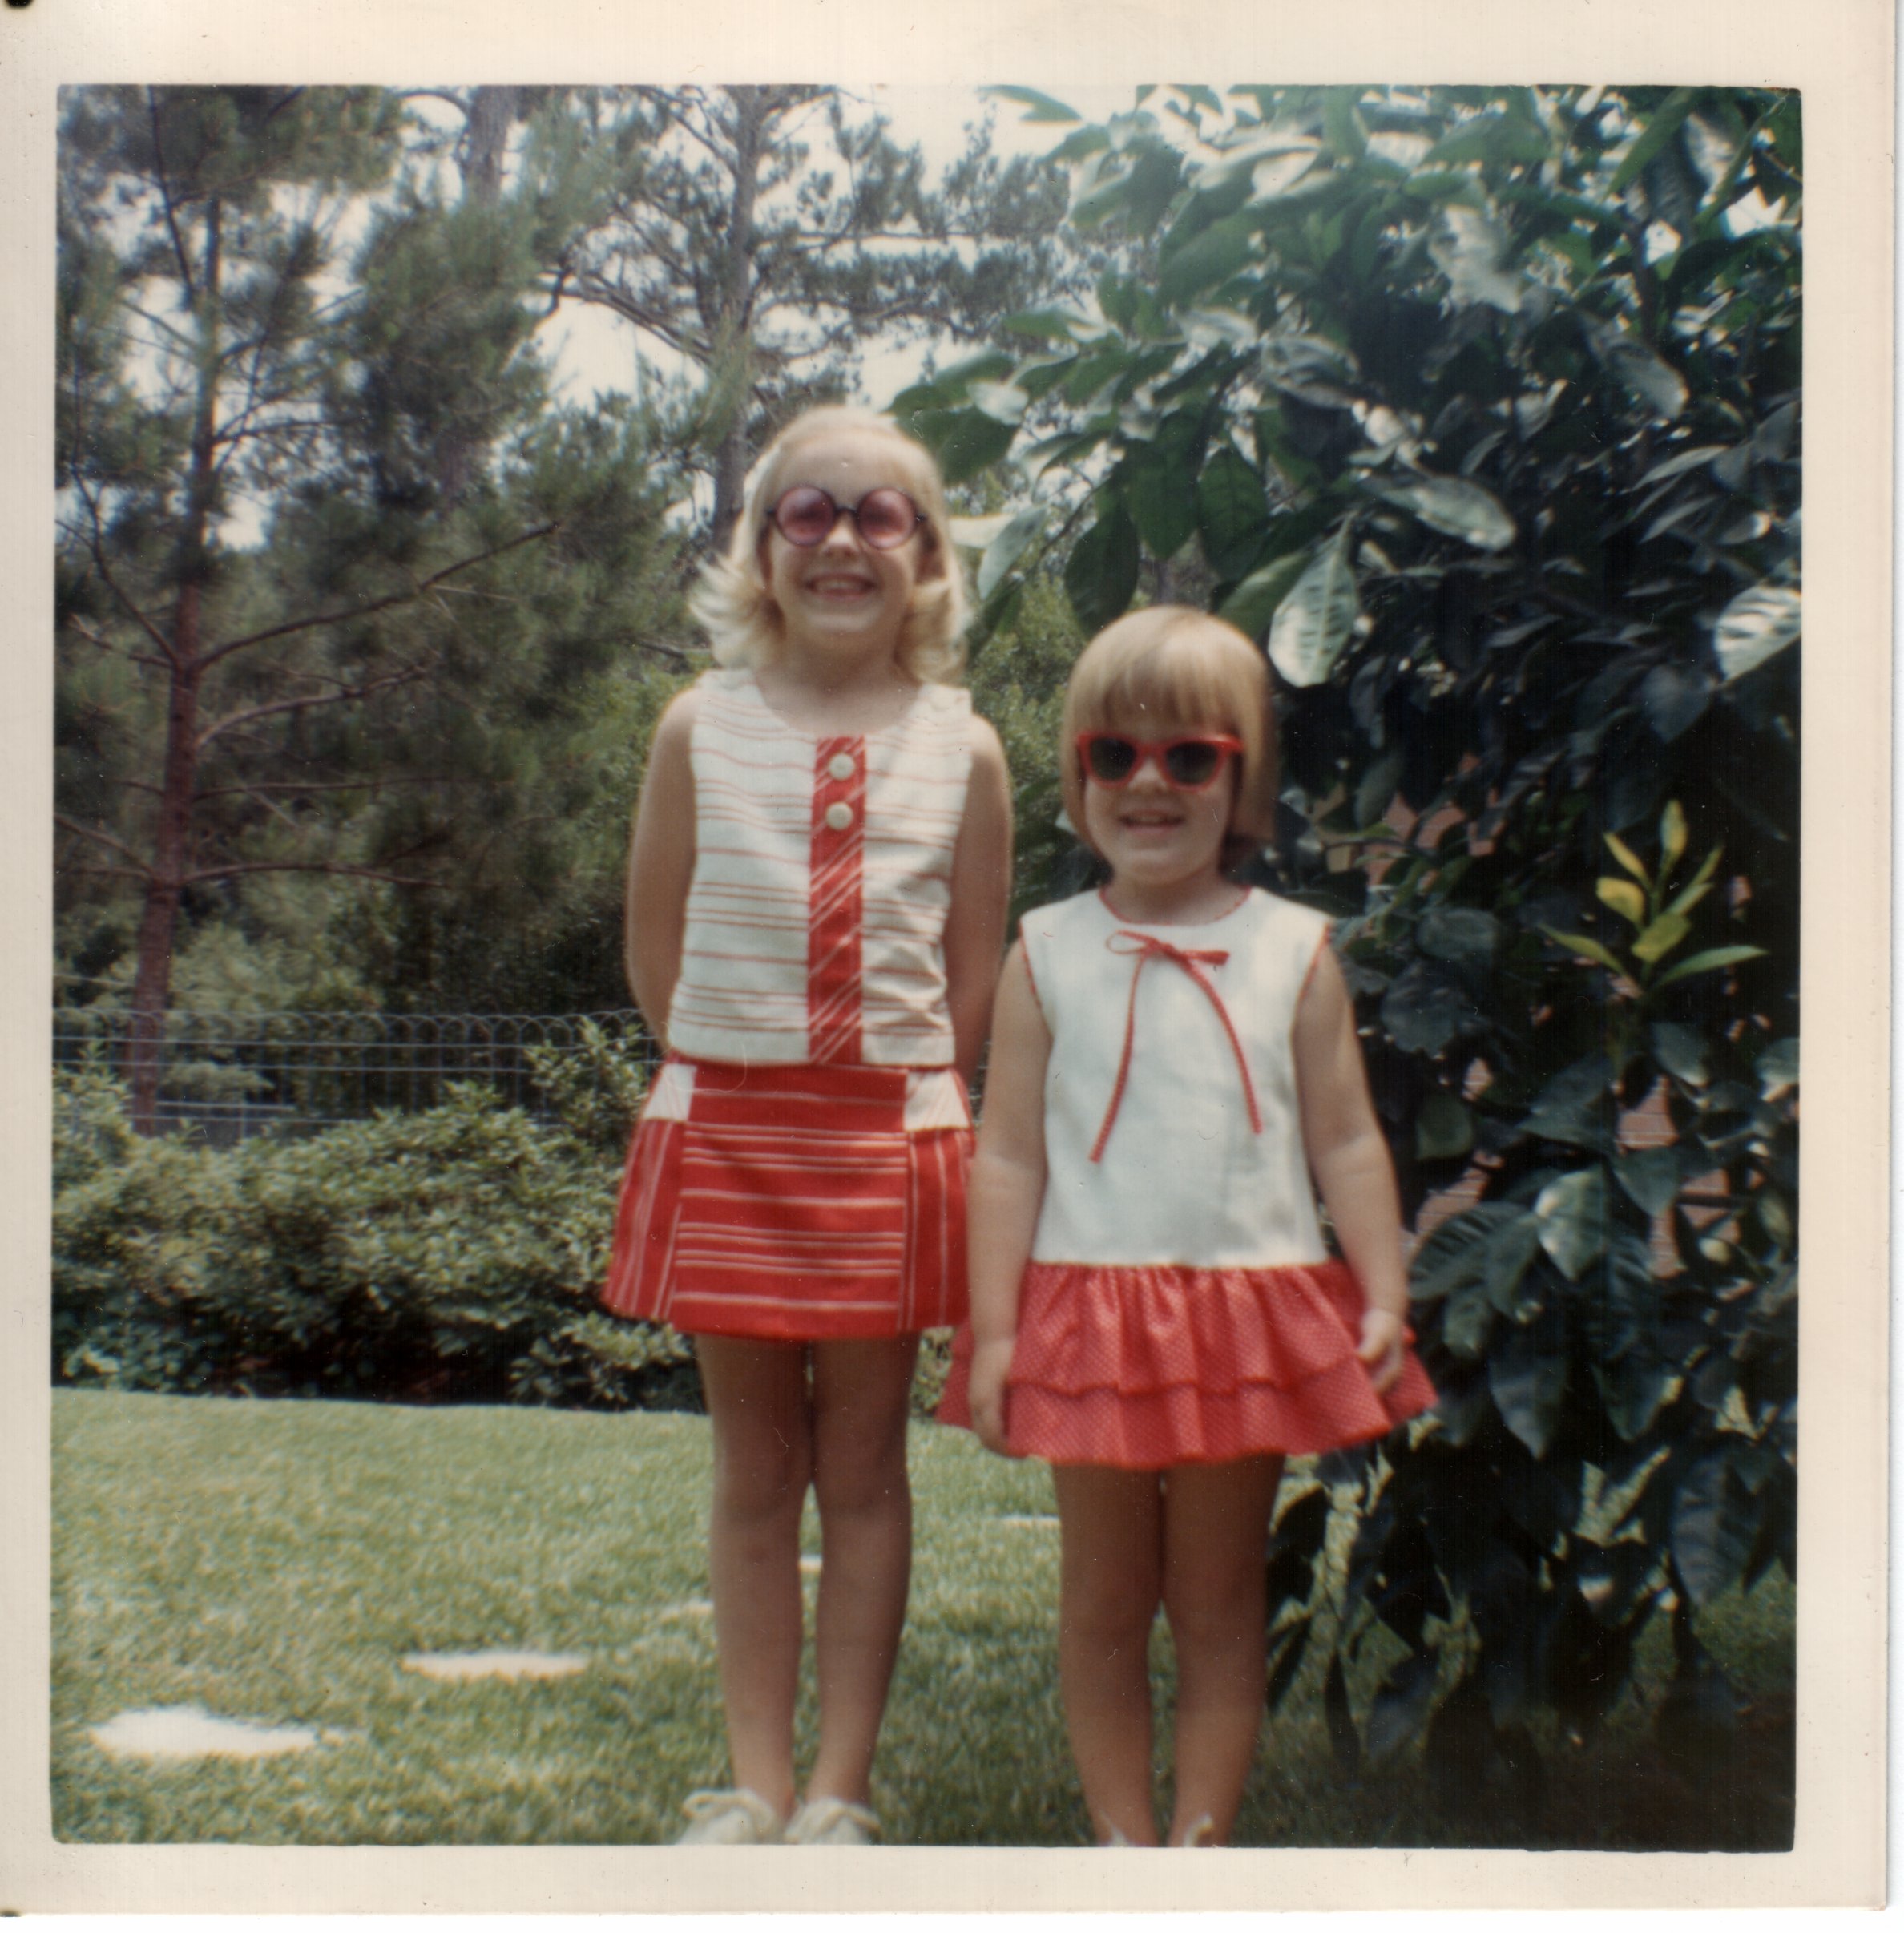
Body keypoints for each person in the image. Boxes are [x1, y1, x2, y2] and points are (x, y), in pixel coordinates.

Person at [939, 605, 1434, 1848]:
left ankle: (1200, 1847)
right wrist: (993, 1333)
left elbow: (1345, 1140)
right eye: (1114, 754)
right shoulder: (1046, 952)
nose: (1148, 783)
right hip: (1090, 1317)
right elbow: (1007, 1156)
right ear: (1080, 775)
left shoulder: (1293, 950)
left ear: (1242, 778)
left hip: (1245, 1314)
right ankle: (1123, 1845)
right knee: (1104, 1604)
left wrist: (1382, 1293)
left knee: (1217, 1604)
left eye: (1190, 757)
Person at [602, 406, 1012, 1846]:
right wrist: (743, 1062)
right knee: (755, 1468)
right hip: (729, 1127)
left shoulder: (967, 749)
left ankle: (839, 1790)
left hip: (884, 1141)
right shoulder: (695, 726)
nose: (844, 541)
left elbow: (971, 976)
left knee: (865, 1469)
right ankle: (754, 1785)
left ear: (928, 556)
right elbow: (656, 951)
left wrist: (897, 1093)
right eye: (809, 513)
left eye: (880, 516)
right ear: (764, 549)